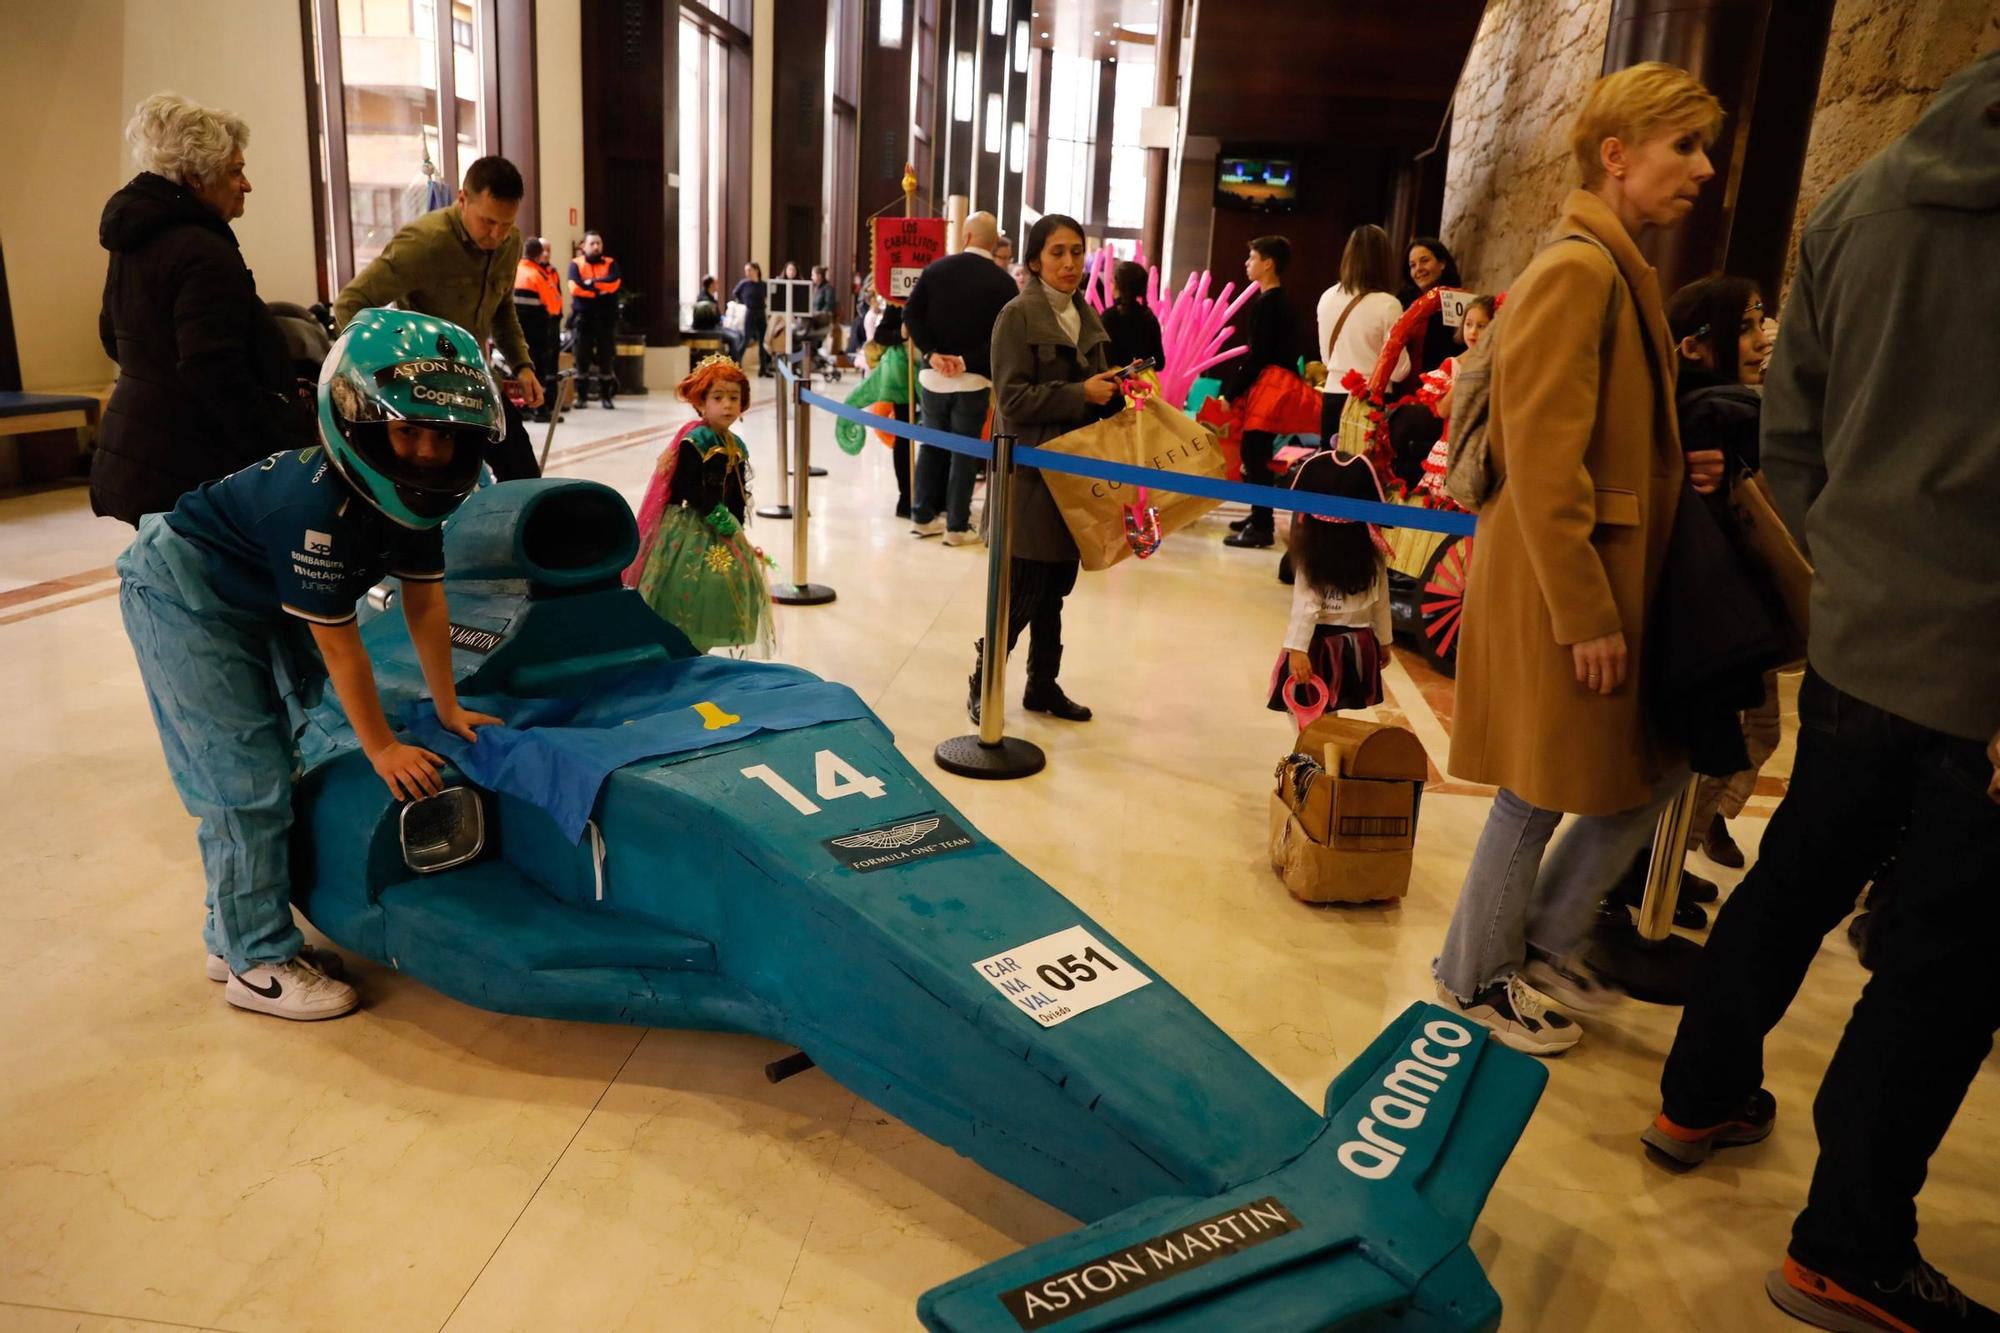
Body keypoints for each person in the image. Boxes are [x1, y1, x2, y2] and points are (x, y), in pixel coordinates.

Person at [1647, 53, 2000, 1333]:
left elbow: (1784, 436)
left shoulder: (1859, 203)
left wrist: (1848, 578)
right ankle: (1847, 1246)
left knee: (1797, 872)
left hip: (1862, 636)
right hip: (1983, 675)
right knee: (1940, 969)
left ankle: (1698, 1093)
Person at [1431, 62, 1725, 1054]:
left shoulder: (1605, 267)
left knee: (1638, 770)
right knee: (1536, 788)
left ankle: (1540, 943)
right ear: (1614, 154)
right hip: (1573, 581)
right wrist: (1584, 611)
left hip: (1599, 573)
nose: (1703, 169)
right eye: (1681, 145)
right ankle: (1473, 975)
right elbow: (1544, 457)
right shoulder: (1576, 271)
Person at [117, 308, 505, 1020]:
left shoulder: (411, 509)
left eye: (443, 437)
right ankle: (257, 961)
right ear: (357, 420)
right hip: (182, 590)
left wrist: (449, 707)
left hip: (253, 591)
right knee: (242, 776)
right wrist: (381, 745)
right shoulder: (318, 509)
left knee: (276, 749)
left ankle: (231, 929)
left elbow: (424, 605)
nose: (424, 453)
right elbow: (340, 643)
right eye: (407, 430)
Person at [92, 93, 306, 526]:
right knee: (213, 588)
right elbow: (212, 369)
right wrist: (273, 446)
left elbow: (111, 334)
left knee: (167, 583)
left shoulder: (135, 241)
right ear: (195, 178)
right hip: (187, 460)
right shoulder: (204, 251)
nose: (246, 185)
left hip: (137, 445)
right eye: (235, 172)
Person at [974, 212, 1125, 725]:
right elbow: (1012, 400)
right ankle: (984, 682)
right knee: (1019, 593)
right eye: (1057, 252)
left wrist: (1116, 392)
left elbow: (1093, 397)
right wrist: (1081, 392)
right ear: (1035, 260)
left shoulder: (1086, 317)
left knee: (1056, 590)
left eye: (1077, 251)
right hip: (1030, 479)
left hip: (1074, 478)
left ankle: (1042, 684)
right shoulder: (1016, 316)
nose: (1069, 262)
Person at [333, 155, 544, 479]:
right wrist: (375, 378)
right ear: (463, 200)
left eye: (507, 224)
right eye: (488, 222)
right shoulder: (425, 242)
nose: (497, 235)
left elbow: (502, 310)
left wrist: (523, 366)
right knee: (437, 483)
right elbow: (351, 303)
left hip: (475, 379)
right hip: (422, 391)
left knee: (523, 475)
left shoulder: (509, 243)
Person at [1664, 274, 1778, 869]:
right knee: (1729, 745)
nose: (1762, 339)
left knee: (1754, 737)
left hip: (1724, 619)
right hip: (1712, 623)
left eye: (1763, 322)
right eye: (1745, 327)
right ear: (1693, 345)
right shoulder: (1714, 411)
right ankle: (1656, 872)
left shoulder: (1721, 407)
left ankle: (1681, 851)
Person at [623, 355, 774, 656]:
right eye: (718, 397)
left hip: (721, 526)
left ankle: (700, 646)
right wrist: (718, 516)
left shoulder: (736, 445)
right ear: (701, 402)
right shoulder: (696, 440)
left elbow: (737, 493)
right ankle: (678, 645)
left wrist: (736, 528)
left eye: (734, 398)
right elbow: (685, 486)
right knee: (682, 586)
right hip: (686, 525)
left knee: (719, 584)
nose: (728, 405)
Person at [903, 210, 1018, 545]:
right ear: (995, 243)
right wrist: (967, 361)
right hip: (975, 381)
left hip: (933, 378)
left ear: (966, 237)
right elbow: (1005, 338)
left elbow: (911, 313)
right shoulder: (1004, 284)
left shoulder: (936, 270)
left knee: (930, 446)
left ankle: (923, 516)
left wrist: (932, 354)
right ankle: (955, 525)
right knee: (964, 454)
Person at [1268, 451, 1392, 720]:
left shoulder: (1312, 554)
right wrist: (1384, 641)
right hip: (1358, 642)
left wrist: (1297, 648)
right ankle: (1330, 757)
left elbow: (1306, 603)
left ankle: (1317, 758)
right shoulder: (1372, 549)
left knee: (1306, 711)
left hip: (1319, 645)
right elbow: (1382, 597)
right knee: (1332, 708)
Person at [1221, 235, 1307, 549]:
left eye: (1252, 257)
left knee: (1254, 455)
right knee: (1258, 454)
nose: (1247, 263)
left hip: (1270, 387)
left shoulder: (1268, 303)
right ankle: (1259, 515)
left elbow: (1258, 355)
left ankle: (1261, 526)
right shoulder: (1279, 300)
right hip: (1277, 383)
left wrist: (1230, 392)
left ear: (1268, 263)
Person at [1314, 224, 1409, 453]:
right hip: (1370, 403)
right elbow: (1399, 370)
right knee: (1364, 477)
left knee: (1331, 474)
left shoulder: (1327, 297)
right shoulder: (1388, 304)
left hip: (1332, 398)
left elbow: (1327, 358)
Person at [1412, 295, 1495, 506]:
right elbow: (1442, 410)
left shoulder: (1499, 367)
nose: (1473, 332)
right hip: (1452, 449)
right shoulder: (1453, 365)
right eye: (1468, 324)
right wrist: (1467, 374)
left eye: (1481, 326)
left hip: (1484, 449)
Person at [567, 230, 623, 409]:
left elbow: (614, 283)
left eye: (599, 243)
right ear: (584, 246)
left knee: (606, 357)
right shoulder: (576, 264)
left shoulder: (610, 263)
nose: (596, 247)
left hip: (606, 319)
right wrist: (600, 290)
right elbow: (575, 288)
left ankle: (606, 397)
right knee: (581, 357)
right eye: (593, 243)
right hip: (584, 319)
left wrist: (591, 284)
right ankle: (582, 398)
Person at [1398, 236, 1466, 378]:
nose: (1419, 269)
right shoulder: (1402, 300)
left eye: (1424, 261)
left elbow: (1461, 349)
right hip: (1402, 384)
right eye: (1412, 265)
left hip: (1439, 384)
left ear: (1442, 263)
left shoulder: (1456, 299)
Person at [512, 237, 563, 421]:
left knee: (517, 369)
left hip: (515, 333)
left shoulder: (514, 270)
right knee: (538, 370)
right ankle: (539, 410)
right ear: (539, 253)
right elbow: (554, 304)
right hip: (538, 332)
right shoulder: (538, 275)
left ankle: (521, 408)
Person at [1099, 261, 1166, 370]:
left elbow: (1104, 362)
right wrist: (1137, 368)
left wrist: (1127, 371)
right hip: (1144, 385)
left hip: (1116, 384)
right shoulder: (1149, 317)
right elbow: (1159, 362)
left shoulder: (1109, 317)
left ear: (1117, 285)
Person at [733, 262, 770, 376]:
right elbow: (735, 293)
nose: (747, 273)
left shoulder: (763, 285)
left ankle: (763, 368)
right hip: (750, 312)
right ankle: (735, 365)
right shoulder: (744, 284)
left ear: (756, 270)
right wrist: (744, 302)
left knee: (762, 342)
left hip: (761, 313)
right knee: (746, 339)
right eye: (746, 270)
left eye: (749, 270)